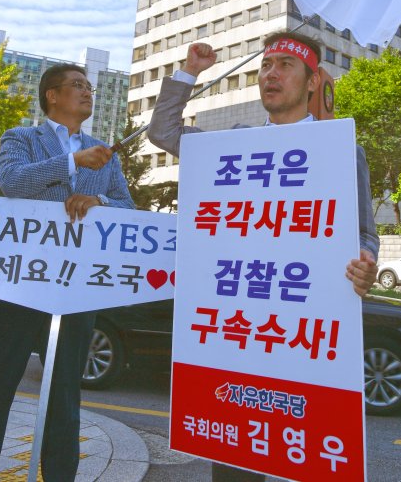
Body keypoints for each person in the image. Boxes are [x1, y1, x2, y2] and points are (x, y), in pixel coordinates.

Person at [148, 30, 379, 482]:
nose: (271, 74)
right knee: (235, 468)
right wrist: (189, 72)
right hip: (241, 335)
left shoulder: (342, 150)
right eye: (265, 66)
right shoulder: (235, 145)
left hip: (303, 333)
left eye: (285, 66)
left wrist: (364, 263)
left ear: (313, 82)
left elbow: (365, 233)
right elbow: (164, 132)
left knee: (307, 459)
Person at [0, 63, 134, 482]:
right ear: (51, 96)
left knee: (64, 400)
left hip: (73, 291)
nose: (87, 93)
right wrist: (71, 162)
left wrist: (101, 203)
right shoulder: (21, 138)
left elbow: (128, 207)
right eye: (77, 85)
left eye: (90, 87)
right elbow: (13, 182)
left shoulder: (104, 152)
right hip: (16, 286)